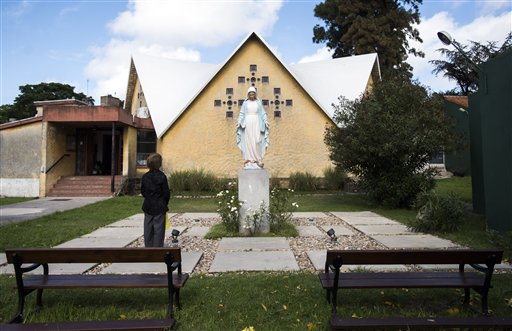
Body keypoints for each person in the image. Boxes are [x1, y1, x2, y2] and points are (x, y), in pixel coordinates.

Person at [236, 86, 270, 169]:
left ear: (255, 94)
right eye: (250, 94)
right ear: (248, 95)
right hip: (247, 122)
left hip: (257, 122)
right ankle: (250, 159)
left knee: (257, 140)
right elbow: (242, 114)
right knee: (249, 140)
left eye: (253, 94)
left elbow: (263, 113)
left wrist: (266, 121)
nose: (251, 95)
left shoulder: (258, 103)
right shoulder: (245, 103)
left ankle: (258, 159)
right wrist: (239, 122)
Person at [141, 153, 170, 247]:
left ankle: (148, 249)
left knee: (148, 228)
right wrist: (164, 203)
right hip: (160, 205)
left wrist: (149, 197)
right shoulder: (162, 176)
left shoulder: (145, 176)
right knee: (159, 230)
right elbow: (166, 193)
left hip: (148, 205)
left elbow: (143, 191)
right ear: (159, 164)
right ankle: (157, 250)